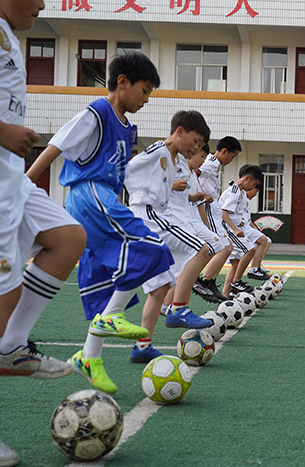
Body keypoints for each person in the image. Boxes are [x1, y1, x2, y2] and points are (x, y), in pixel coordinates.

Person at [25, 53, 172, 394]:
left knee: (106, 277)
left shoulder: (126, 126)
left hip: (102, 198)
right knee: (152, 249)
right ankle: (109, 318)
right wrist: (25, 182)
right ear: (122, 82)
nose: (147, 99)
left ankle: (89, 356)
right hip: (89, 194)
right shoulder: (97, 112)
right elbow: (56, 145)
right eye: (145, 90)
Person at [1, 1, 85, 463]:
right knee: (1, 294)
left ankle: (12, 346)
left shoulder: (10, 33)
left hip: (12, 178)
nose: (43, 4)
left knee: (68, 239)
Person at [124, 110, 215, 339]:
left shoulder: (173, 159)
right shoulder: (158, 152)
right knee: (203, 249)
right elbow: (125, 173)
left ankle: (142, 345)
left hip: (150, 217)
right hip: (148, 216)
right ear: (179, 131)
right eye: (195, 142)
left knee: (160, 286)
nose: (196, 149)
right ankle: (178, 308)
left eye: (200, 145)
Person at [174, 144, 233, 304]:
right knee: (218, 247)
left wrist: (196, 197)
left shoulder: (191, 174)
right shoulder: (209, 164)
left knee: (218, 247)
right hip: (181, 219)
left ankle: (198, 284)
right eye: (200, 156)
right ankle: (202, 281)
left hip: (197, 216)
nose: (203, 161)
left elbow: (193, 195)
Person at [194, 137, 242, 298]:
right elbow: (194, 172)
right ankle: (201, 279)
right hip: (207, 209)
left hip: (213, 209)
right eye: (232, 156)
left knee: (226, 247)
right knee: (222, 247)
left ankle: (207, 280)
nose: (231, 160)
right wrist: (201, 194)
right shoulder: (212, 162)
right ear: (224, 151)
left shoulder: (215, 163)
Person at [220, 165, 264, 295]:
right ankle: (236, 283)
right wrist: (235, 228)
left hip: (232, 228)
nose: (253, 188)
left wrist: (241, 222)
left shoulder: (240, 192)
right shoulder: (235, 191)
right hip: (228, 229)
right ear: (246, 178)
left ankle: (227, 295)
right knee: (251, 250)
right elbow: (224, 213)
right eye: (254, 184)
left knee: (235, 264)